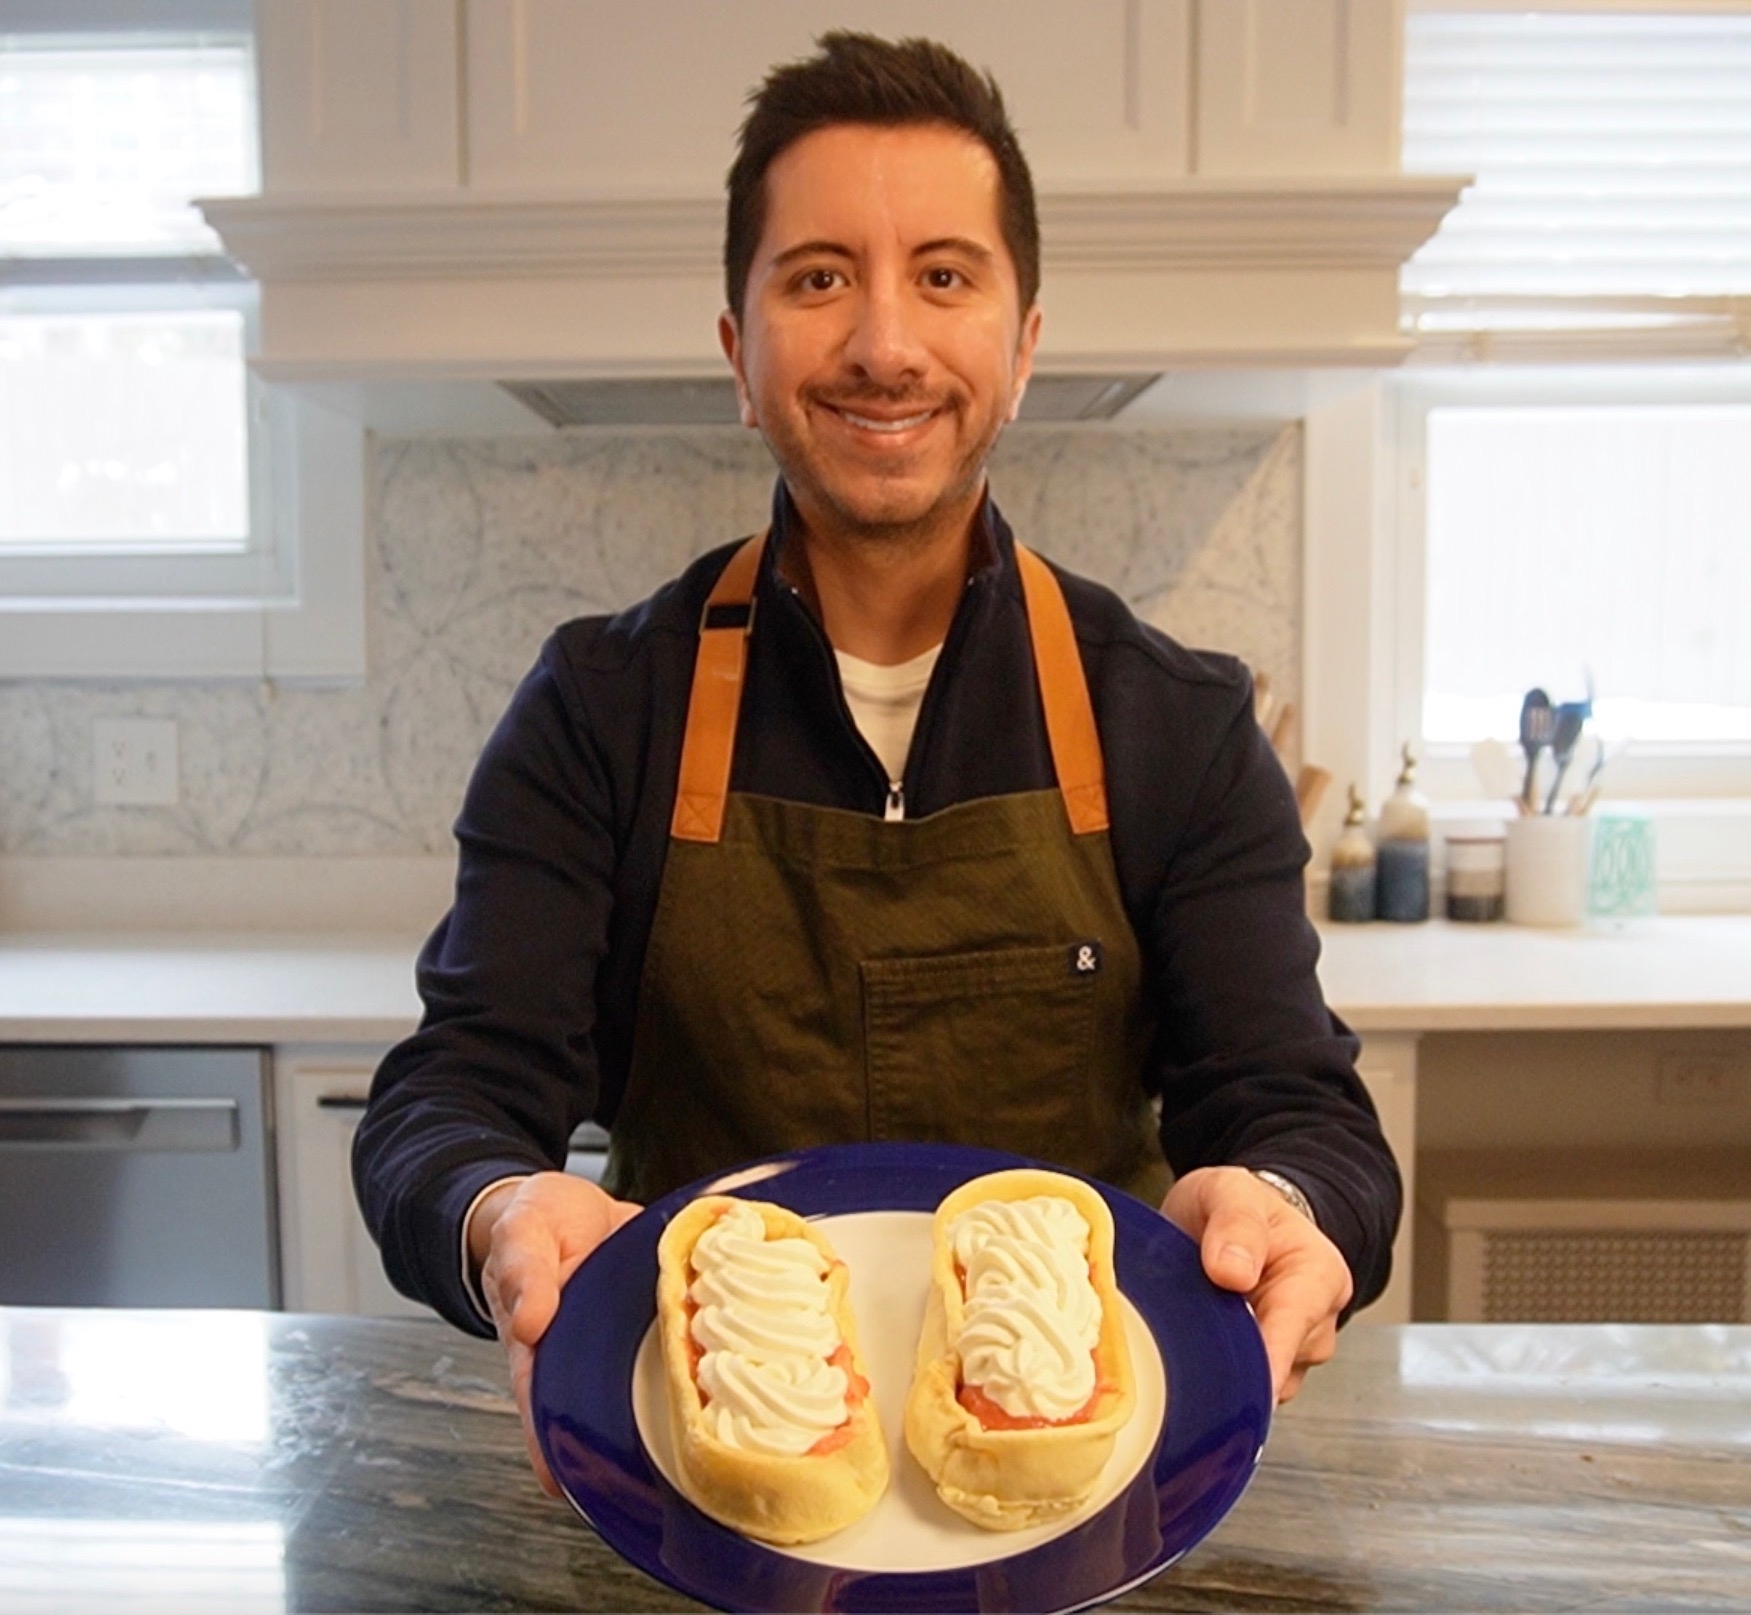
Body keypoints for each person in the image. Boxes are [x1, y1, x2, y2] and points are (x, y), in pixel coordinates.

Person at [355, 31, 1400, 1495]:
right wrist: (497, 1213)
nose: (885, 344)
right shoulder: (602, 710)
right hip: (694, 1485)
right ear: (740, 349)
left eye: (947, 276)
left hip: (1083, 1493)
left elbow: (1302, 1110)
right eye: (818, 276)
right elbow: (444, 1102)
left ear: (1026, 343)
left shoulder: (1174, 721)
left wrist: (1289, 1206)